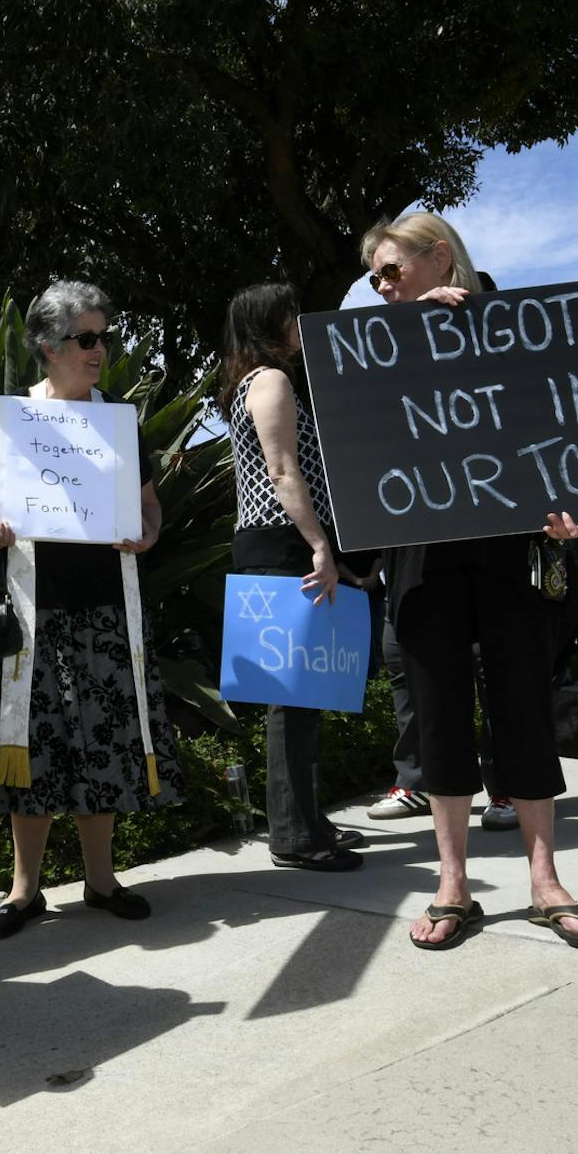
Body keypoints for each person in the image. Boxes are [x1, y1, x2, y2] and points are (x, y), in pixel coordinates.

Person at [362, 212, 578, 951]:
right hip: (420, 552)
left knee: (523, 704)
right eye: (375, 276)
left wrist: (571, 511)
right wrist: (413, 341)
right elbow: (360, 439)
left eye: (391, 269)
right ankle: (453, 883)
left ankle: (545, 882)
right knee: (438, 712)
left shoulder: (513, 327)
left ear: (439, 257)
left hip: (508, 546)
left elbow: (556, 425)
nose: (381, 286)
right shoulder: (377, 346)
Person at [0, 280, 184, 940]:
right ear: (47, 345)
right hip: (29, 611)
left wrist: (148, 529)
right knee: (36, 744)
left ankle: (101, 879)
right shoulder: (7, 418)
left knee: (102, 743)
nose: (100, 348)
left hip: (105, 607)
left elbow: (149, 505)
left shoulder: (117, 418)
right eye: (86, 337)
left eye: (104, 336)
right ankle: (26, 888)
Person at [218, 283, 367, 871]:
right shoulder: (271, 381)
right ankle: (293, 835)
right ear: (269, 323)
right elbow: (283, 471)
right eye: (293, 316)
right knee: (294, 696)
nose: (301, 325)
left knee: (303, 692)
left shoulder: (249, 382)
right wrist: (319, 546)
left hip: (271, 540)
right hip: (282, 541)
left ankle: (306, 819)